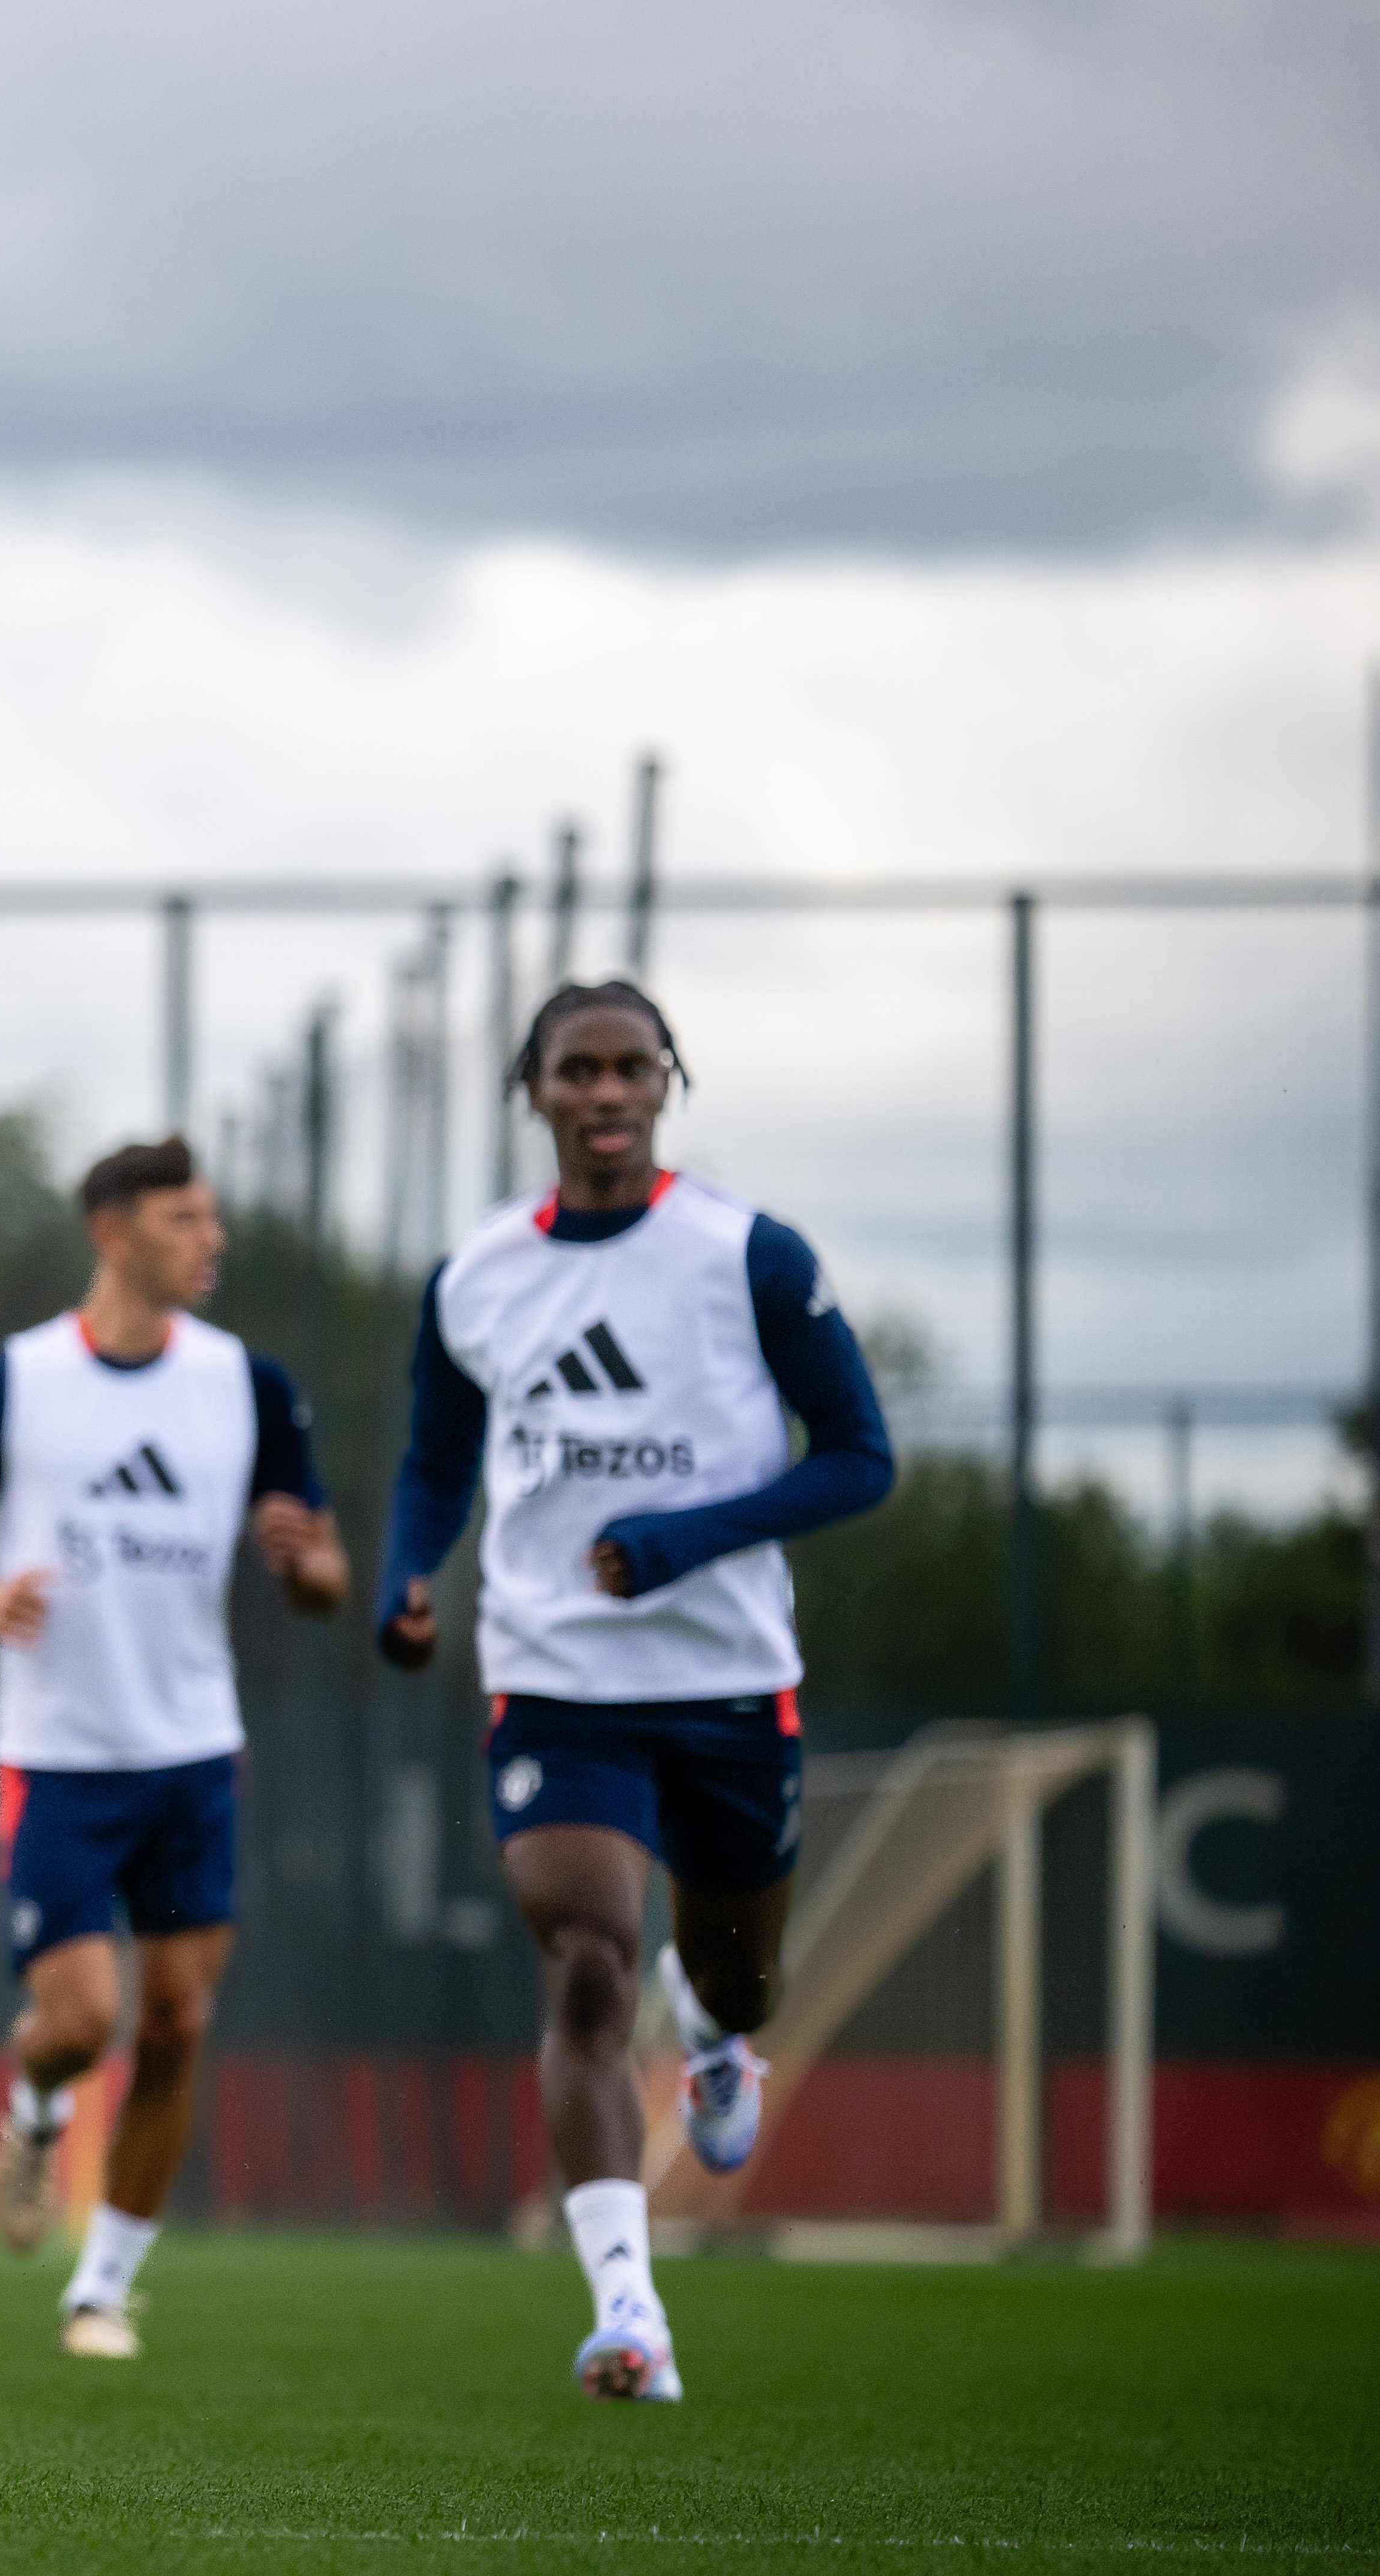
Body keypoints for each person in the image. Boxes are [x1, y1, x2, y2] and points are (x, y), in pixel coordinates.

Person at [373, 982, 893, 2405]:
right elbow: (434, 1459)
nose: (606, 1092)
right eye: (576, 1069)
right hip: (553, 1673)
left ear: (667, 1083)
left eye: (632, 1067)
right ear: (533, 1091)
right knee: (587, 1958)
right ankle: (630, 2312)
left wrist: (680, 1539)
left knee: (735, 1969)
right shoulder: (475, 1274)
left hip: (727, 1674)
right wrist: (407, 1572)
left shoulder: (749, 1254)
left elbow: (860, 1455)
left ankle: (719, 2032)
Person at [0, 1136, 346, 2360]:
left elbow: (327, 1569)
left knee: (179, 2024)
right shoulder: (21, 1380)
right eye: (184, 1218)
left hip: (195, 1746)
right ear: (113, 1233)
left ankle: (102, 2287)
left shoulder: (250, 1384)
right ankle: (38, 2104)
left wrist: (306, 1562)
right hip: (55, 1751)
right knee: (79, 2017)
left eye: (213, 1217)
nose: (212, 1238)